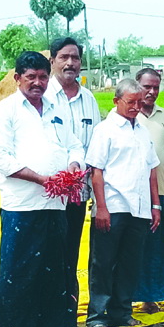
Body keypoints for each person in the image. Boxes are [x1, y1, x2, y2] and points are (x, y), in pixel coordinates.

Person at [0, 51, 78, 327]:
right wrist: (41, 179)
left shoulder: (56, 109)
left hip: (55, 203)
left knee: (54, 268)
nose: (38, 83)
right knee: (19, 268)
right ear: (17, 79)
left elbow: (74, 144)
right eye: (31, 77)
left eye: (43, 77)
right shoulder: (5, 112)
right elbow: (2, 158)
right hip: (22, 205)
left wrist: (75, 166)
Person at [84, 79, 162, 327]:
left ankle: (121, 311)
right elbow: (97, 171)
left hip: (139, 207)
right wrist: (101, 207)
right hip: (114, 204)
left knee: (130, 262)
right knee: (103, 262)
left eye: (140, 102)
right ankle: (96, 316)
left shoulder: (141, 129)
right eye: (131, 102)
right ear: (116, 101)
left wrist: (155, 205)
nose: (137, 107)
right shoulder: (105, 130)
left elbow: (151, 169)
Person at [45, 35, 98, 312]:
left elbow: (96, 147)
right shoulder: (41, 97)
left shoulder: (88, 99)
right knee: (46, 253)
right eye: (64, 57)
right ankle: (46, 309)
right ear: (52, 61)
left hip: (78, 193)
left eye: (75, 58)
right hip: (46, 194)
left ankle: (67, 309)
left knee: (70, 252)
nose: (70, 63)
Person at [133, 66, 164, 312]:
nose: (151, 92)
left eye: (155, 87)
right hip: (133, 194)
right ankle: (127, 296)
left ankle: (151, 296)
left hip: (159, 190)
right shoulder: (126, 114)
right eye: (146, 86)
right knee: (134, 245)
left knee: (156, 246)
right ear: (136, 85)